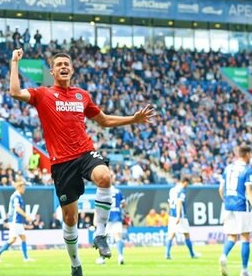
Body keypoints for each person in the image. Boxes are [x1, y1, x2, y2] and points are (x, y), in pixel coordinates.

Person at [9, 49, 155, 276]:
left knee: (105, 177)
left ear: (72, 69)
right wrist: (15, 63)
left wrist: (133, 120)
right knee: (70, 218)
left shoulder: (82, 96)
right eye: (59, 64)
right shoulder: (43, 94)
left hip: (85, 153)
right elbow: (15, 92)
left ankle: (100, 233)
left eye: (66, 63)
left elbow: (104, 120)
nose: (63, 66)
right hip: (61, 163)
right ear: (52, 71)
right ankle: (76, 263)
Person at [218, 145, 252, 276]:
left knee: (232, 236)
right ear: (247, 154)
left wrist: (226, 202)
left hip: (228, 205)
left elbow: (220, 189)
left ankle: (223, 256)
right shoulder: (247, 170)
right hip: (242, 205)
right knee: (245, 237)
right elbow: (249, 190)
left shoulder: (228, 168)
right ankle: (244, 270)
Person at [0, 180, 34, 263]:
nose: (24, 189)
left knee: (23, 237)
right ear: (19, 187)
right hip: (15, 221)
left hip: (18, 221)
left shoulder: (18, 196)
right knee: (12, 239)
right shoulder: (15, 196)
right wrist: (27, 216)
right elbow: (17, 209)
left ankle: (26, 258)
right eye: (23, 187)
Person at [165, 177, 198, 260]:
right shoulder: (182, 190)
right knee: (186, 234)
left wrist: (173, 214)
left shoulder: (172, 190)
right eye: (187, 183)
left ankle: (167, 254)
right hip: (180, 216)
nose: (187, 185)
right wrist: (178, 216)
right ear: (185, 182)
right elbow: (179, 203)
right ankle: (192, 254)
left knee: (171, 234)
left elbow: (170, 202)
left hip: (172, 215)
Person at [96, 174, 125, 265]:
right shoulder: (118, 191)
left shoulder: (101, 191)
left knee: (103, 238)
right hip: (116, 215)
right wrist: (119, 207)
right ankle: (120, 256)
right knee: (118, 237)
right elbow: (123, 203)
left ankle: (103, 258)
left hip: (105, 217)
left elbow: (98, 206)